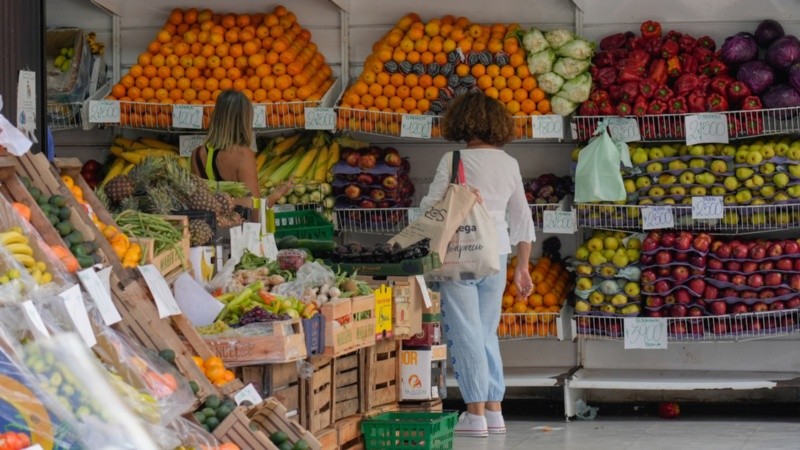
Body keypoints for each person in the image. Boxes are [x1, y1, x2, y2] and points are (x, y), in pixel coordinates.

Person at [419, 91, 536, 437]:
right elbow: (523, 219)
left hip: (460, 254)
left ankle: (474, 413)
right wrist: (523, 266)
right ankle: (495, 410)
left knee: (465, 331)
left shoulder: (454, 159)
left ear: (462, 122)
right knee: (486, 332)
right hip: (496, 256)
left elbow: (431, 208)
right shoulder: (509, 163)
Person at [191, 90, 292, 219]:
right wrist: (278, 193)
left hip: (207, 231)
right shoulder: (242, 154)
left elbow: (201, 201)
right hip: (236, 233)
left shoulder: (197, 154)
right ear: (244, 120)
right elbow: (256, 211)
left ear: (216, 116)